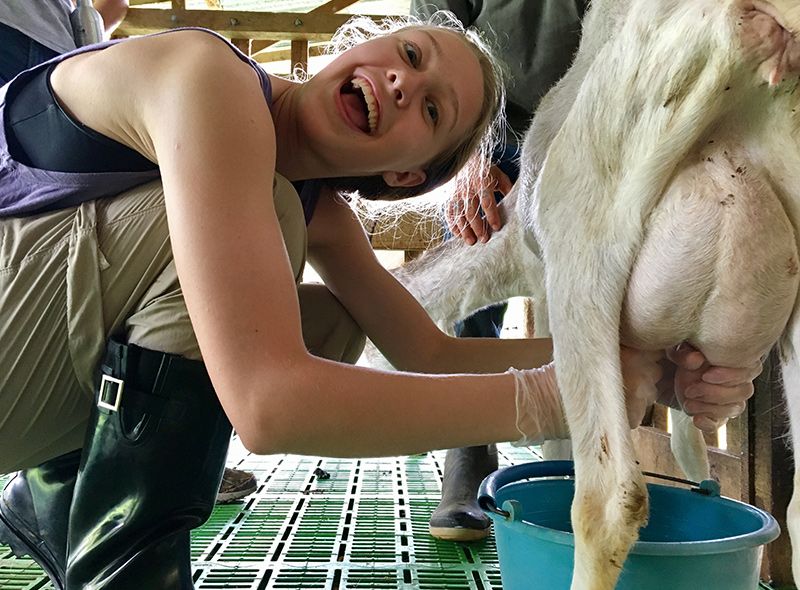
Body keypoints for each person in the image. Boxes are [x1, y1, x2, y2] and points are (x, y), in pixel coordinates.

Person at [0, 10, 756, 590]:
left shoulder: (314, 204)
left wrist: (645, 371)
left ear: (405, 175)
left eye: (430, 113)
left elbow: (429, 353)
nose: (402, 83)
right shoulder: (208, 81)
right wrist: (563, 400)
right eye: (410, 55)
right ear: (366, 44)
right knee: (268, 252)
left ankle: (59, 496)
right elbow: (267, 406)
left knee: (324, 322)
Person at [0, 0, 259, 511]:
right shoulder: (204, 70)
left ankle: (93, 480)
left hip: (57, 37)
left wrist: (91, 26)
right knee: (223, 212)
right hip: (27, 37)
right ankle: (119, 489)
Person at [409, 0, 590, 542]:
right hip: (493, 128)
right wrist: (466, 158)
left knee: (600, 265)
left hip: (588, 120)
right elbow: (436, 47)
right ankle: (470, 444)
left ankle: (592, 437)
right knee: (475, 230)